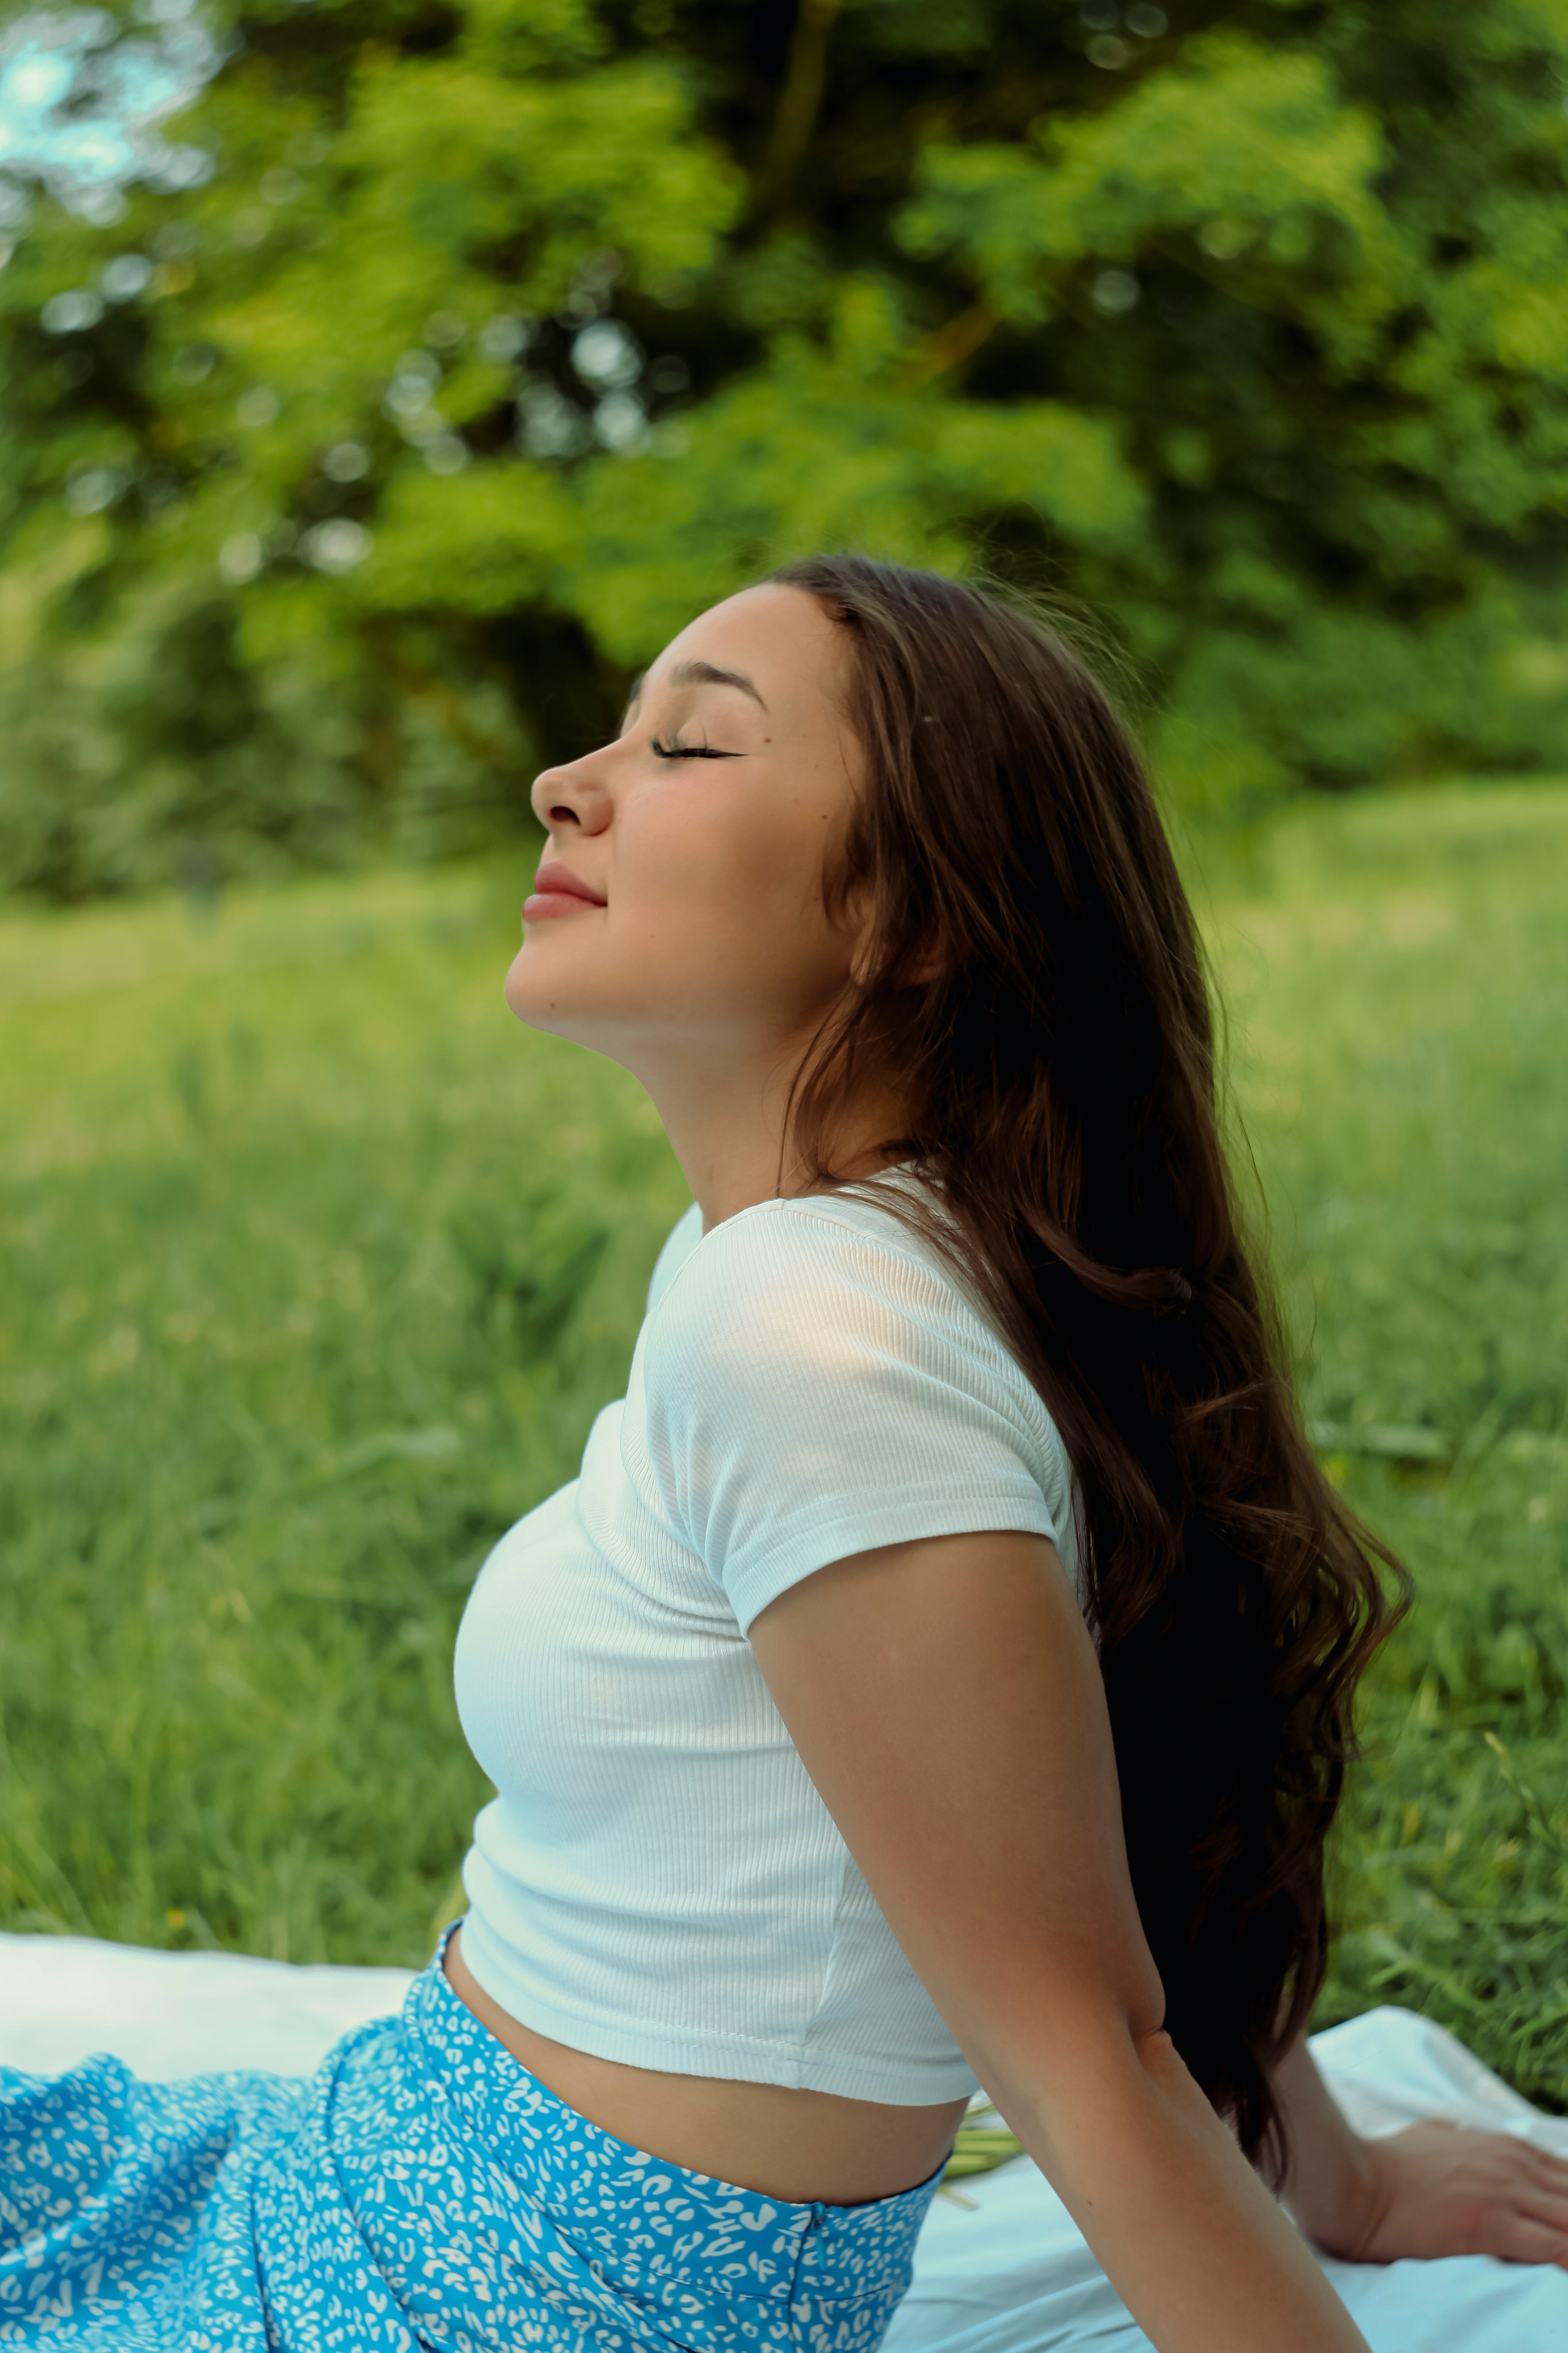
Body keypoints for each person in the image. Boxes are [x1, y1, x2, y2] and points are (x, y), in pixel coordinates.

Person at [6, 556, 1568, 2353]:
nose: (569, 780)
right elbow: (1075, 1778)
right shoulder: (863, 1259)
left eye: (688, 744)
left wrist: (1323, 2221)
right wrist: (1343, 2176)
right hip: (400, 2185)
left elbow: (1085, 2046)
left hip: (474, 2300)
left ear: (914, 913)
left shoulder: (812, 1333)